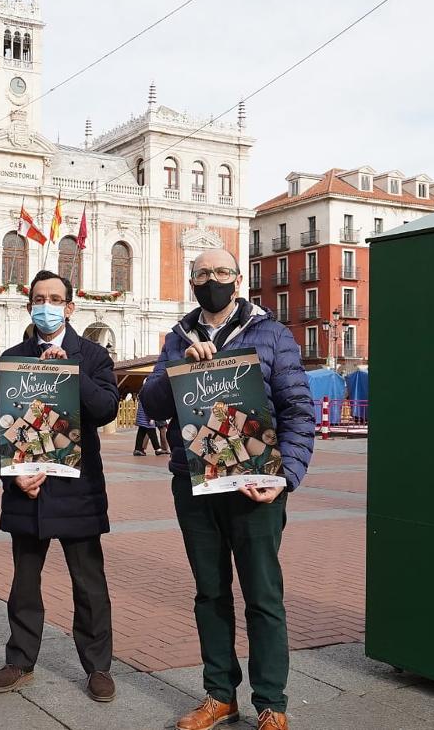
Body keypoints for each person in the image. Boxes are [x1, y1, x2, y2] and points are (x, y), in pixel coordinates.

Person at [140, 248, 315, 730]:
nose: (211, 279)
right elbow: (151, 405)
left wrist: (285, 477)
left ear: (237, 281)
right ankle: (220, 694)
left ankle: (271, 702)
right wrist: (179, 375)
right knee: (209, 592)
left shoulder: (273, 334)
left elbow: (299, 411)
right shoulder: (178, 339)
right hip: (195, 484)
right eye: (202, 273)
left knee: (263, 594)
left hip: (255, 484)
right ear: (191, 282)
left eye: (221, 272)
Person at [0, 269, 120, 702]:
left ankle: (98, 667)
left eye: (55, 299)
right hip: (28, 489)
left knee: (89, 583)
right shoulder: (13, 358)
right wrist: (14, 475)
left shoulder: (92, 356)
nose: (47, 305)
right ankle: (20, 660)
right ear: (29, 306)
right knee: (24, 581)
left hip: (78, 490)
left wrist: (71, 372)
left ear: (69, 307)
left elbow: (106, 409)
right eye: (39, 298)